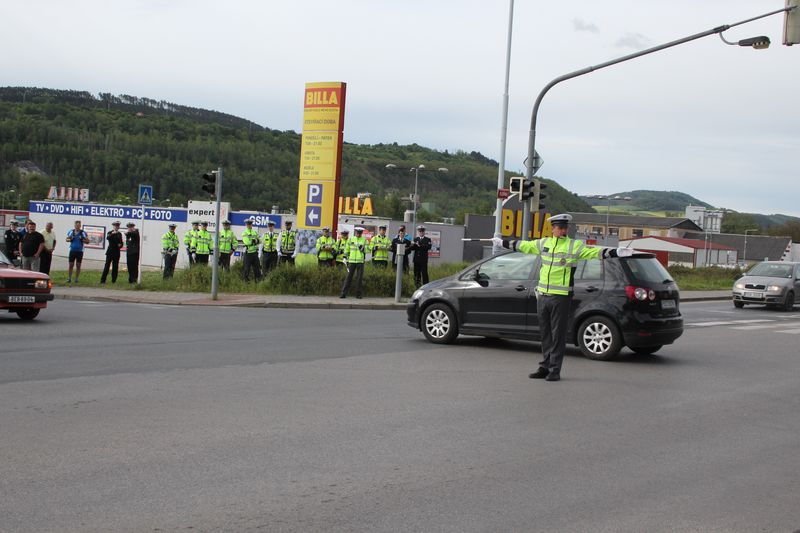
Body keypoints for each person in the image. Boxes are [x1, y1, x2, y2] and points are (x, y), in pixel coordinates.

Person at [492, 214, 634, 382]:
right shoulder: (544, 243)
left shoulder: (574, 246)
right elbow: (523, 245)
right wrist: (502, 243)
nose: (562, 230)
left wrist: (616, 252)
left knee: (557, 335)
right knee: (545, 334)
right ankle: (544, 366)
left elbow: (594, 252)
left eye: (565, 227)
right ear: (552, 229)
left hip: (561, 297)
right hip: (543, 296)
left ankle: (554, 370)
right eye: (559, 227)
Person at [340, 227, 367, 299]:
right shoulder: (351, 239)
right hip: (351, 261)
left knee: (359, 279)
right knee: (348, 278)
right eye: (357, 232)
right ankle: (343, 293)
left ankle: (358, 295)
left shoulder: (364, 240)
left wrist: (363, 248)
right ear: (355, 232)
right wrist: (345, 257)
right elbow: (347, 249)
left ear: (361, 233)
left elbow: (368, 249)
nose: (358, 234)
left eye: (360, 233)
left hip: (360, 262)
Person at [241, 217, 262, 282]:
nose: (249, 225)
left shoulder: (255, 232)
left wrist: (254, 241)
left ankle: (257, 283)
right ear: (246, 225)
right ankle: (246, 283)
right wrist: (255, 241)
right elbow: (247, 242)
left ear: (251, 224)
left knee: (257, 269)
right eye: (248, 224)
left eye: (250, 224)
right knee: (246, 269)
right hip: (248, 253)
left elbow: (261, 240)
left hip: (255, 253)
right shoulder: (244, 233)